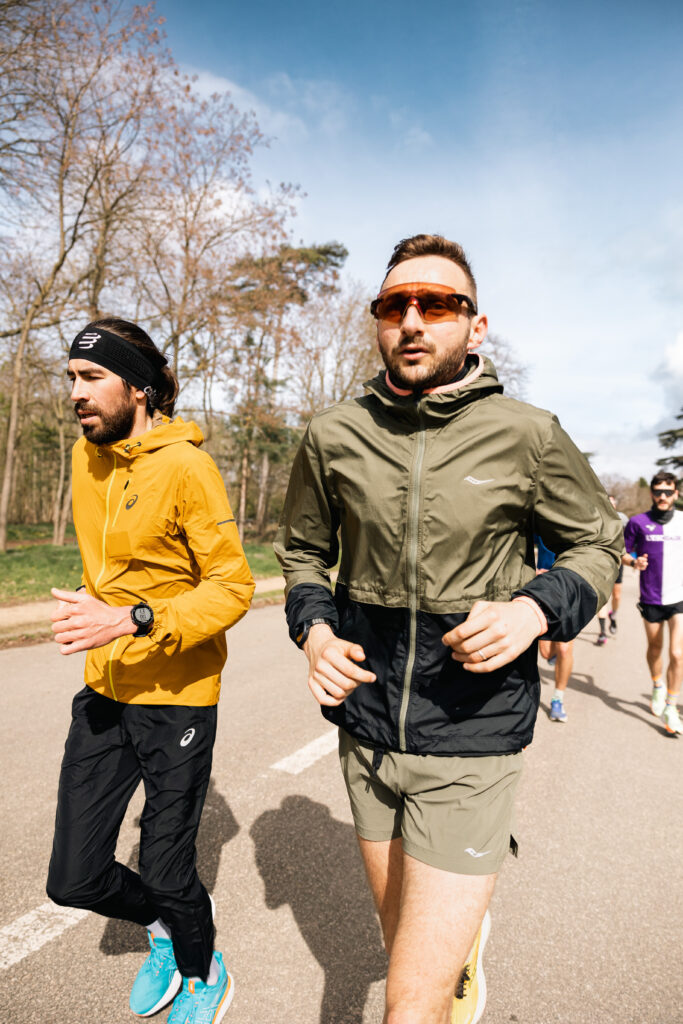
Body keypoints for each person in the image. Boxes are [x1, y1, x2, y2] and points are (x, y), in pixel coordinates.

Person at [275, 234, 622, 1024]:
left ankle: (445, 967)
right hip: (365, 734)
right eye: (394, 304)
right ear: (376, 322)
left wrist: (534, 608)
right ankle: (459, 946)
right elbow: (300, 552)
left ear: (476, 324)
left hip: (471, 733)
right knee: (402, 944)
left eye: (437, 303)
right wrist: (315, 634)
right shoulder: (333, 435)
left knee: (410, 999)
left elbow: (598, 542)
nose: (413, 319)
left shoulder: (527, 434)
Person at [46, 317, 254, 1022]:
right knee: (72, 880)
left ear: (137, 385)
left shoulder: (186, 467)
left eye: (91, 376)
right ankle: (164, 925)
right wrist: (93, 610)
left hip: (178, 696)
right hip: (105, 689)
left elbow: (232, 587)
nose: (75, 393)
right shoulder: (85, 455)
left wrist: (131, 618)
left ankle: (203, 968)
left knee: (167, 870)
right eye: (71, 378)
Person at [622, 471, 683, 735]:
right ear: (652, 494)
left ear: (676, 494)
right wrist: (634, 562)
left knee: (677, 653)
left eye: (668, 492)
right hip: (650, 597)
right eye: (658, 491)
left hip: (679, 597)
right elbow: (621, 553)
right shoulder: (638, 522)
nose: (663, 496)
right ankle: (657, 685)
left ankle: (672, 704)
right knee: (655, 648)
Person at [535, 536, 573, 722]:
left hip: (568, 590)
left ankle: (557, 700)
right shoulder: (540, 518)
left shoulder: (578, 523)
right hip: (542, 589)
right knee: (545, 653)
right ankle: (555, 657)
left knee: (565, 649)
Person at [607, 494, 628, 634]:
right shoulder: (596, 518)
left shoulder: (623, 518)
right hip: (601, 561)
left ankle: (613, 615)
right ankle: (603, 628)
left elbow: (630, 537)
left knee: (617, 595)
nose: (611, 506)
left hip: (618, 560)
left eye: (613, 503)